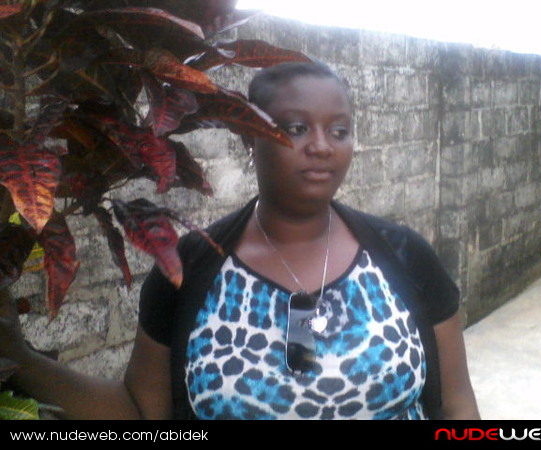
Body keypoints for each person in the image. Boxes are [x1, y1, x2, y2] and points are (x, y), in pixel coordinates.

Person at [0, 61, 480, 420]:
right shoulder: (189, 270)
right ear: (250, 138)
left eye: (339, 130)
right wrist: (20, 360)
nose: (321, 146)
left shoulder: (403, 256)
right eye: (295, 128)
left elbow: (457, 405)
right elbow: (142, 411)